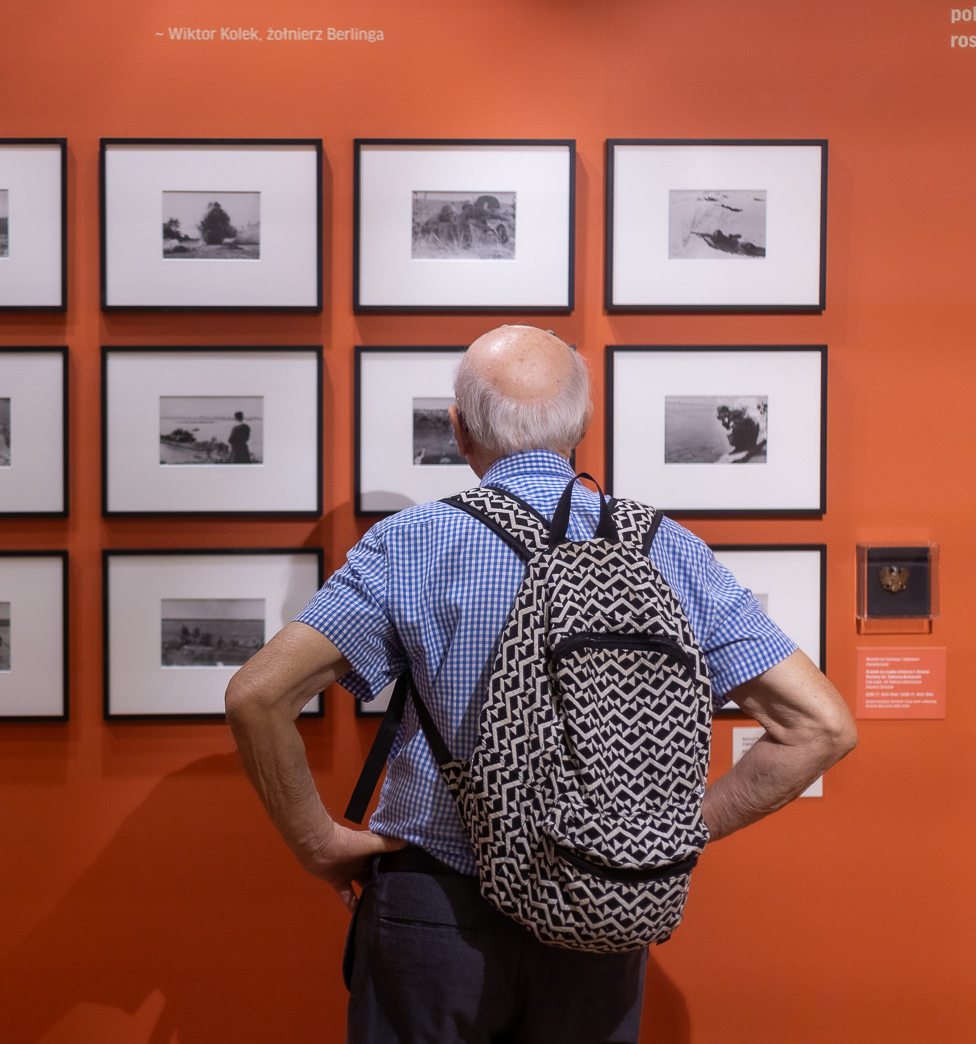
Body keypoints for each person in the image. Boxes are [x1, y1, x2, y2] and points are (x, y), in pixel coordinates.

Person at [225, 325, 856, 1044]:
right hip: (604, 901)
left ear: (460, 431)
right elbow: (823, 726)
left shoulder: (414, 543)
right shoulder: (667, 548)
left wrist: (317, 842)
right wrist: (658, 833)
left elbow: (256, 694)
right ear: (582, 424)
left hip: (438, 908)